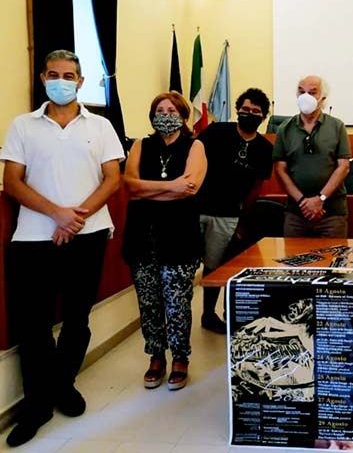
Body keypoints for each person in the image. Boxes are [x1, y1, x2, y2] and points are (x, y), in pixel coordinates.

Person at [1, 50, 124, 447]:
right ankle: (36, 406)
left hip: (88, 236)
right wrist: (57, 214)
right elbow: (12, 182)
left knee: (76, 319)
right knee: (33, 325)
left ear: (80, 82)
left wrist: (76, 218)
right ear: (42, 78)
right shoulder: (23, 125)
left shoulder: (100, 126)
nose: (60, 81)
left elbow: (113, 178)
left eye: (68, 75)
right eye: (53, 74)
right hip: (33, 238)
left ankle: (63, 386)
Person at [122, 91, 207, 391]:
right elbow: (130, 186)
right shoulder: (140, 145)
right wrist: (172, 187)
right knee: (149, 303)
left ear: (183, 116)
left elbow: (191, 187)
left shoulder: (195, 146)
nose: (166, 115)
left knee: (177, 303)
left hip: (180, 238)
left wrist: (148, 190)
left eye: (172, 111)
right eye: (160, 110)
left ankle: (180, 358)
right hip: (142, 236)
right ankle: (156, 355)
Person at [196, 88, 273, 334]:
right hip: (196, 209)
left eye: (256, 111)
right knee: (184, 266)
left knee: (215, 266)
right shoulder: (216, 131)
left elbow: (257, 186)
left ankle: (208, 314)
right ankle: (178, 317)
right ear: (238, 110)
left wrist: (243, 217)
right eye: (245, 109)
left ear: (264, 117)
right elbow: (193, 159)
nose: (249, 114)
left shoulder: (265, 148)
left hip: (228, 214)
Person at [273, 75, 351, 237]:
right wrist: (303, 202)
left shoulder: (337, 126)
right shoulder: (284, 129)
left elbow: (343, 167)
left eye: (312, 92)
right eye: (301, 92)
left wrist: (320, 199)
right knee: (293, 254)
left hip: (331, 215)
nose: (305, 97)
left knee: (333, 254)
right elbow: (280, 170)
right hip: (296, 214)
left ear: (323, 98)